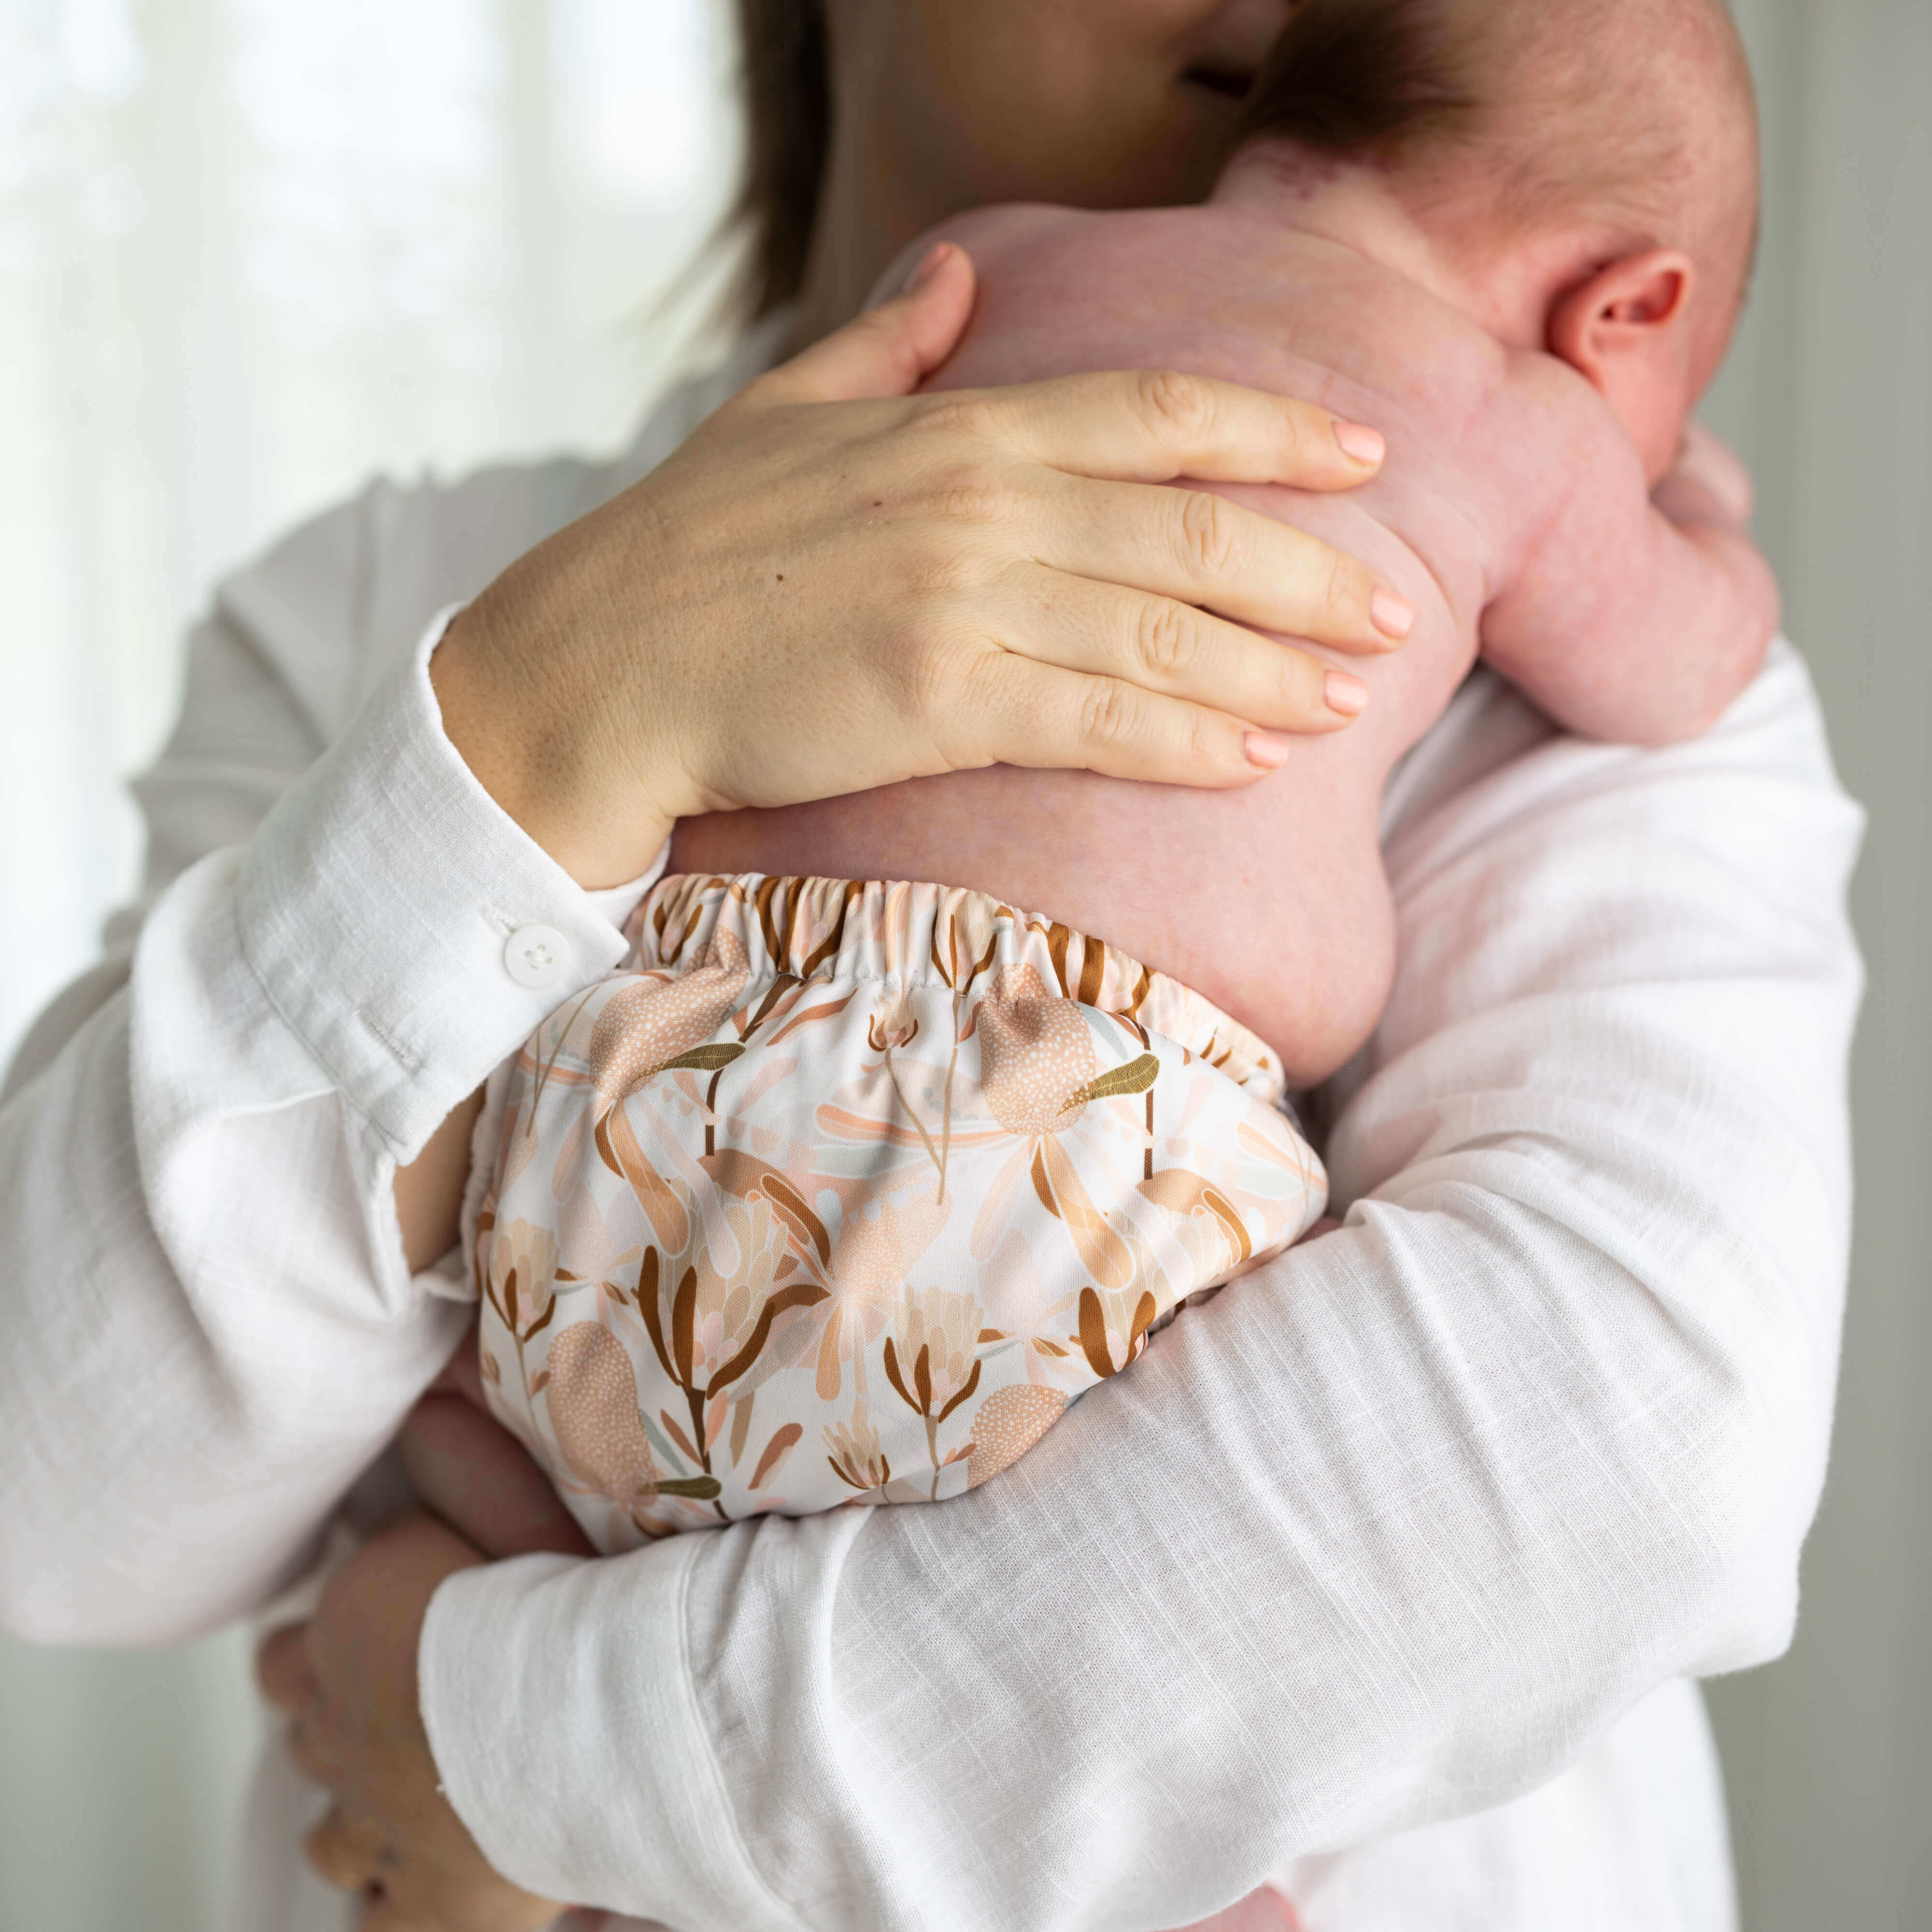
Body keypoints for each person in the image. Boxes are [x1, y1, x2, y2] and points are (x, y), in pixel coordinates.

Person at [0, 3, 1860, 1930]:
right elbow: (53, 1501)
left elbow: (1616, 1458)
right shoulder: (383, 616)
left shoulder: (1538, 693)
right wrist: (545, 727)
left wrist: (507, 1745)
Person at [424, 0, 1781, 1563]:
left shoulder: (986, 263)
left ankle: (496, 1507)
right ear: (1627, 306)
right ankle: (588, 1646)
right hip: (1083, 1135)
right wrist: (1695, 509)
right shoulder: (1525, 421)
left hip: (675, 1032)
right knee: (1068, 1503)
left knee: (587, 1391)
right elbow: (1684, 662)